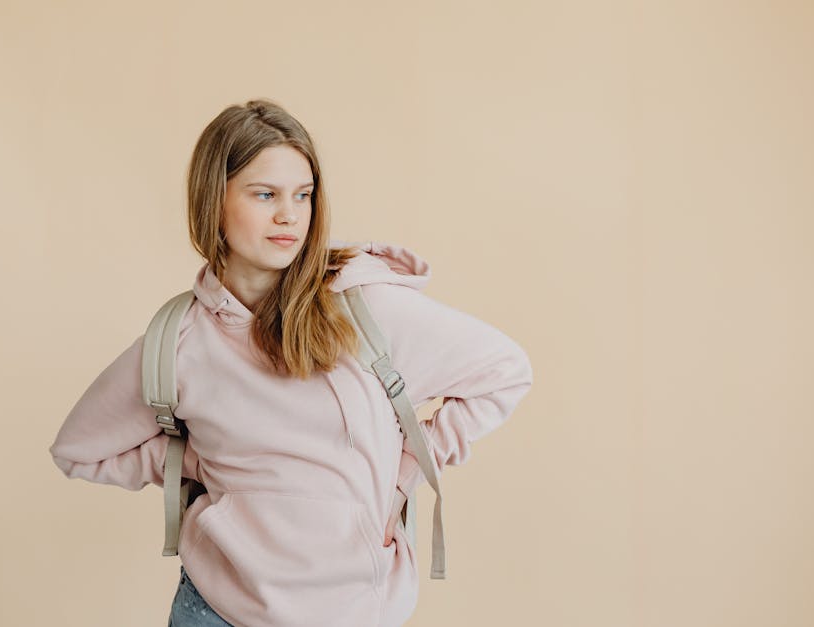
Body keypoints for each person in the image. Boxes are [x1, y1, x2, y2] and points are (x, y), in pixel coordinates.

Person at [48, 98, 533, 627]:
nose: (289, 215)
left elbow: (506, 372)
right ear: (214, 201)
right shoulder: (179, 340)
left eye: (302, 195)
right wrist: (196, 464)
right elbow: (79, 450)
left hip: (354, 610)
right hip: (216, 611)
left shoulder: (367, 310)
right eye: (265, 194)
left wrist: (402, 471)